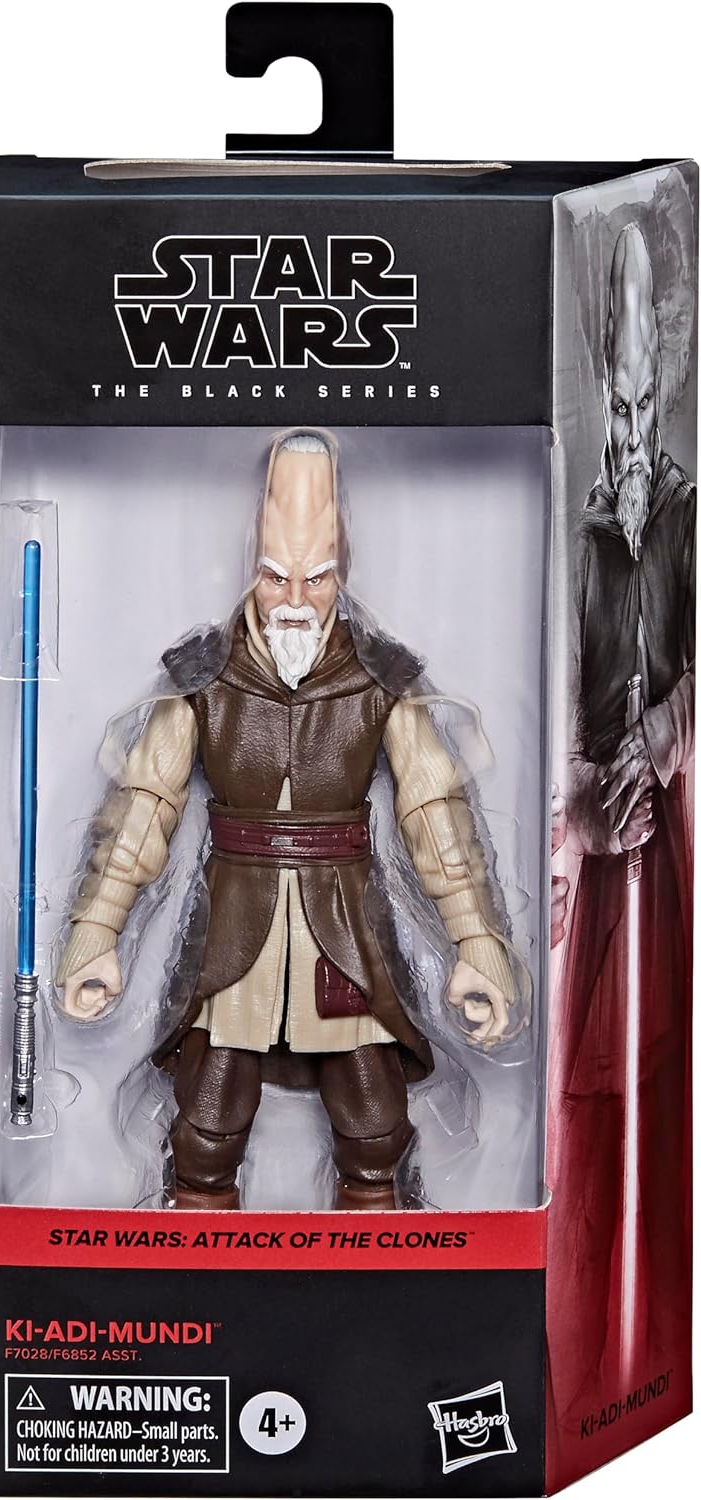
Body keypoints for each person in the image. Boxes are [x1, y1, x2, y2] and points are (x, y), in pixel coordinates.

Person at [56, 428, 516, 1210]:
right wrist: (97, 931)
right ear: (252, 567)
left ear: (344, 571)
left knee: (374, 1128)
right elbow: (142, 808)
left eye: (318, 577)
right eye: (275, 577)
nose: (296, 600)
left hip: (345, 927)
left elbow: (435, 814)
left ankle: (378, 1269)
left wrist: (477, 944)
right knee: (205, 1127)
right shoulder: (203, 675)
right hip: (235, 928)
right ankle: (201, 1260)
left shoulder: (382, 678)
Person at [548, 225, 695, 1410]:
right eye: (619, 387)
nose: (633, 414)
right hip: (591, 853)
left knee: (659, 1080)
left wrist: (663, 737)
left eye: (649, 391)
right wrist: (585, 802)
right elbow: (546, 686)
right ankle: (579, 1367)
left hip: (670, 841)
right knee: (582, 1099)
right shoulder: (579, 525)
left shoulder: (687, 513)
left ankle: (638, 1363)